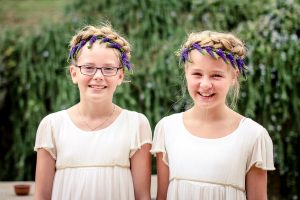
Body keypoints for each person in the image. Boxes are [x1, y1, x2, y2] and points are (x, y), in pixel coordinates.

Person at [151, 30, 275, 200]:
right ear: (186, 73)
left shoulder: (253, 135)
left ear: (233, 77)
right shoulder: (167, 128)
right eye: (197, 74)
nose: (205, 84)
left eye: (216, 75)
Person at [34, 24, 152, 200]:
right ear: (74, 74)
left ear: (120, 76)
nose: (98, 76)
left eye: (108, 68)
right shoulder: (52, 125)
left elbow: (142, 196)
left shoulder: (136, 125)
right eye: (88, 68)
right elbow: (41, 197)